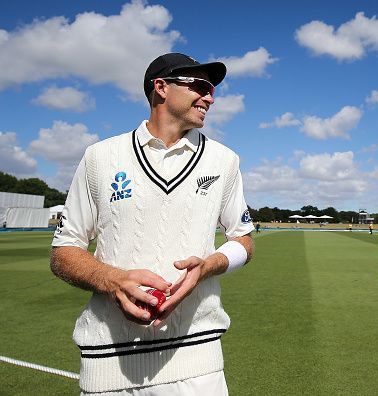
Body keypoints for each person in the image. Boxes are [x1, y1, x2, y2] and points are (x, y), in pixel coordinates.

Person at [50, 52, 255, 395]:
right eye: (200, 86)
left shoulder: (225, 160)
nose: (210, 97)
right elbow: (63, 252)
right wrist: (112, 280)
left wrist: (207, 266)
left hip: (197, 363)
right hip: (108, 364)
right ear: (161, 87)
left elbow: (243, 241)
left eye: (212, 89)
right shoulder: (100, 156)